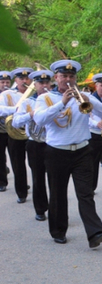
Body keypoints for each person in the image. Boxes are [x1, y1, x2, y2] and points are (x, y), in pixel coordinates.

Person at [33, 60, 102, 248]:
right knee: (58, 194)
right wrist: (62, 103)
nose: (68, 79)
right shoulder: (45, 98)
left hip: (82, 151)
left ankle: (95, 233)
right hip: (57, 152)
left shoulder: (83, 97)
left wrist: (88, 99)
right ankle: (58, 231)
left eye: (71, 76)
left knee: (85, 193)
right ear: (56, 77)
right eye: (64, 76)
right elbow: (40, 120)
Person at [11, 69, 51, 220]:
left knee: (56, 179)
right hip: (35, 143)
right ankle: (40, 209)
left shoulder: (55, 100)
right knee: (38, 177)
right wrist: (30, 115)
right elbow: (15, 122)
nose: (44, 85)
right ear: (35, 85)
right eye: (41, 83)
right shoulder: (27, 102)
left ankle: (56, 209)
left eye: (47, 82)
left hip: (53, 143)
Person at [0, 67, 33, 202]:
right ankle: (21, 192)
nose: (25, 81)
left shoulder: (37, 94)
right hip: (15, 132)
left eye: (27, 78)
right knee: (18, 163)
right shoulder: (7, 94)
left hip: (33, 134)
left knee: (37, 165)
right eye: (21, 78)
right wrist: (16, 109)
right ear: (16, 80)